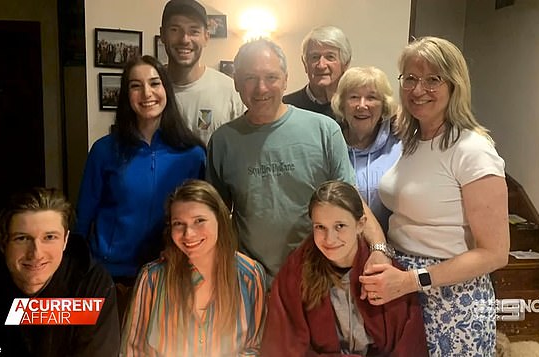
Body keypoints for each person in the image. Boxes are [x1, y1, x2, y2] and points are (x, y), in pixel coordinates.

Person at [361, 36, 510, 355]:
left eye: (432, 80)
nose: (417, 90)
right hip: (403, 290)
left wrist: (413, 280)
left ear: (454, 85)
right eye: (410, 79)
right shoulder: (411, 142)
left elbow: (495, 253)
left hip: (452, 301)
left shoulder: (472, 150)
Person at [206, 38, 391, 284]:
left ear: (285, 79)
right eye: (250, 78)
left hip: (319, 276)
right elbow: (215, 217)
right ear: (237, 82)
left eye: (271, 77)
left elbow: (351, 199)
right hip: (251, 281)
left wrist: (379, 248)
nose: (261, 88)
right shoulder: (222, 141)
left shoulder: (324, 130)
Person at [75, 55, 205, 288]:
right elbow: (83, 216)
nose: (147, 93)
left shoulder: (193, 154)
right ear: (126, 95)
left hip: (171, 274)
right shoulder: (104, 150)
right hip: (112, 277)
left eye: (154, 83)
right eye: (136, 86)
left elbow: (203, 218)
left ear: (166, 90)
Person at [261, 180, 428, 356]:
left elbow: (409, 345)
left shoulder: (387, 273)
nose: (330, 239)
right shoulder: (296, 272)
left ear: (360, 224)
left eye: (339, 226)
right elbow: (283, 345)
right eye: (320, 227)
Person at [120, 179, 267, 356]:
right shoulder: (152, 278)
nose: (188, 234)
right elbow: (133, 350)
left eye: (199, 220)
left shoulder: (249, 275)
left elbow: (256, 347)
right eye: (178, 223)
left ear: (220, 219)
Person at [0, 187, 120, 356]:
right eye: (22, 238)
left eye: (49, 237)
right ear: (3, 243)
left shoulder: (91, 283)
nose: (36, 254)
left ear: (65, 241)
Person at [160, 0, 245, 143]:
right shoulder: (149, 91)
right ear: (162, 34)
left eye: (194, 31)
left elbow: (242, 150)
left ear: (206, 37)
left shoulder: (230, 91)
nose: (184, 39)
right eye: (175, 30)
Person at [331, 66, 402, 234]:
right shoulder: (332, 145)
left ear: (384, 105)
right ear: (342, 103)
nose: (362, 105)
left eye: (371, 98)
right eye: (354, 97)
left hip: (395, 247)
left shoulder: (401, 144)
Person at [283, 25, 351, 119]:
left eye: (330, 57)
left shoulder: (354, 107)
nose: (321, 65)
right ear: (305, 64)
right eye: (314, 57)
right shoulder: (285, 107)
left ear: (345, 63)